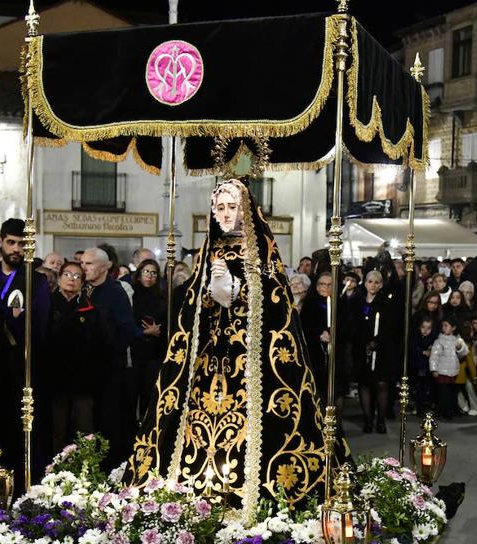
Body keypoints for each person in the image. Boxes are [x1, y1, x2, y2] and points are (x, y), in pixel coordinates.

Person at [126, 179, 336, 515]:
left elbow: (275, 304)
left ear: (246, 210)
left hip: (253, 363)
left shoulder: (263, 253)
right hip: (209, 360)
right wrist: (211, 291)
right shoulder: (208, 253)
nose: (225, 214)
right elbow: (191, 305)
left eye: (232, 207)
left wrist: (236, 288)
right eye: (220, 207)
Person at [0, 218, 51, 487]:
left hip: (21, 365)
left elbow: (37, 323)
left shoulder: (36, 281)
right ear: (1, 241)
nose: (16, 249)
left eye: (22, 244)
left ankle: (23, 483)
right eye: (11, 242)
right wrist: (8, 314)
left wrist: (6, 318)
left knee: (20, 426)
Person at [81, 245, 139, 467]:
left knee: (110, 421)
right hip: (86, 369)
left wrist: (107, 351)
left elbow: (126, 328)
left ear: (105, 267)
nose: (84, 268)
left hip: (110, 369)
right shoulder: (83, 289)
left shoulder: (115, 291)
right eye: (83, 263)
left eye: (90, 264)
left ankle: (110, 466)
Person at [46, 262, 100, 452]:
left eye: (77, 277)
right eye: (67, 274)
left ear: (83, 283)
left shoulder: (90, 308)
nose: (72, 279)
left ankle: (85, 472)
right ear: (59, 278)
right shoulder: (47, 304)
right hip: (55, 377)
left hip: (82, 378)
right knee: (57, 428)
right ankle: (53, 472)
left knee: (84, 427)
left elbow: (99, 343)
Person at [349, 269, 400, 433]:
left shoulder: (387, 302)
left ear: (381, 284)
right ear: (365, 283)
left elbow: (391, 326)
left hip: (382, 349)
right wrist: (363, 341)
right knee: (364, 384)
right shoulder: (357, 301)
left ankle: (380, 420)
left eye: (377, 282)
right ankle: (368, 419)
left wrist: (377, 342)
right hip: (362, 348)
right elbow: (353, 324)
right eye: (370, 281)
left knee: (382, 384)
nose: (373, 285)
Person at [130, 258, 167, 422]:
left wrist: (158, 331)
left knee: (149, 392)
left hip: (155, 351)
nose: (150, 276)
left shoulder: (162, 297)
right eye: (146, 272)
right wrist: (145, 331)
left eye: (154, 273)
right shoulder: (132, 294)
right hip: (135, 350)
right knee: (132, 393)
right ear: (139, 275)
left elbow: (167, 321)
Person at [300, 271, 334, 402]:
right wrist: (319, 334)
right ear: (317, 286)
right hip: (315, 351)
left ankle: (336, 420)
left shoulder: (340, 304)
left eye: (329, 284)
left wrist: (332, 333)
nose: (325, 287)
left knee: (335, 387)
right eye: (322, 284)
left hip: (336, 351)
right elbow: (305, 326)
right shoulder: (309, 304)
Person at [430, 318, 467, 420]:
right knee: (442, 392)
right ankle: (441, 410)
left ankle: (449, 410)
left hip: (453, 371)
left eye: (446, 325)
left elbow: (463, 353)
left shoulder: (457, 340)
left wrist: (460, 348)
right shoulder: (439, 341)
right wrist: (434, 369)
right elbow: (434, 356)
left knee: (451, 392)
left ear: (453, 328)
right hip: (442, 371)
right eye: (443, 326)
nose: (444, 328)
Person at [409, 316, 437, 416]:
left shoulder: (433, 338)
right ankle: (419, 406)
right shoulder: (415, 337)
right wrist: (422, 352)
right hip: (417, 366)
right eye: (423, 327)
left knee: (426, 387)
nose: (425, 330)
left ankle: (426, 405)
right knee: (419, 387)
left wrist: (431, 350)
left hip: (428, 366)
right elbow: (412, 348)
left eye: (428, 328)